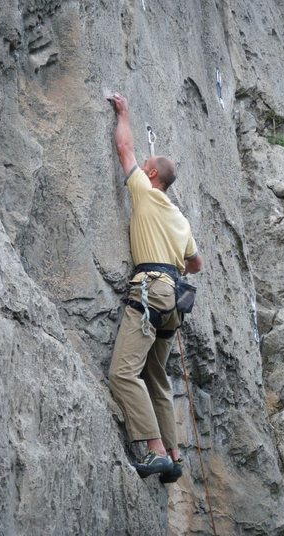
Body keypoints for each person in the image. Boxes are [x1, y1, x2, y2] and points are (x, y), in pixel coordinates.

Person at [107, 92, 202, 482]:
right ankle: (176, 455)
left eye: (144, 166)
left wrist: (125, 112)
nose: (139, 167)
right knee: (157, 376)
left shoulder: (144, 195)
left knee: (122, 374)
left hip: (149, 291)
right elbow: (196, 264)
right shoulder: (180, 219)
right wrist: (175, 257)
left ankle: (155, 451)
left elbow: (124, 146)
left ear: (150, 177)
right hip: (173, 303)